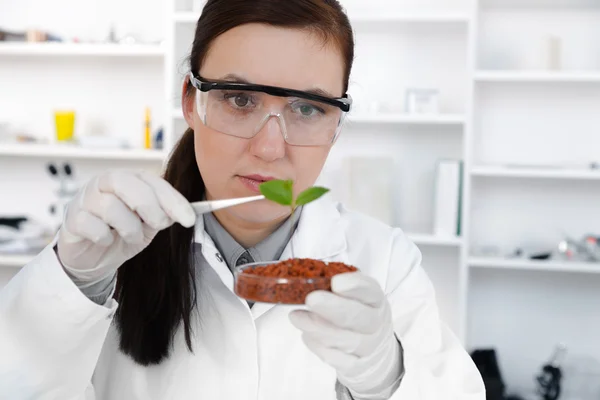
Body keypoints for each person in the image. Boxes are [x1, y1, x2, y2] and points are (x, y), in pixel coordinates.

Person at [0, 0, 485, 399]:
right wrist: (72, 284)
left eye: (307, 108)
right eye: (239, 99)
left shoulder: (386, 262)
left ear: (336, 126)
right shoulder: (109, 257)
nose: (270, 148)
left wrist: (387, 377)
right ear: (191, 101)